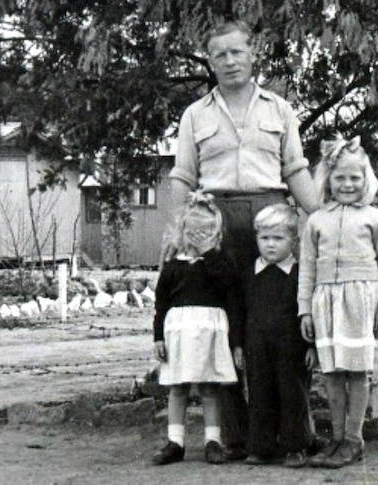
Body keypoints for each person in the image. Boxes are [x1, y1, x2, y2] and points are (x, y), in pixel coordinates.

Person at [168, 20, 321, 459]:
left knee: (284, 320)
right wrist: (182, 235)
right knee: (226, 326)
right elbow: (183, 176)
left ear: (252, 55)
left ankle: (297, 432)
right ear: (211, 62)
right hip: (216, 221)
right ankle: (238, 437)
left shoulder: (279, 110)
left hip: (272, 214)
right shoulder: (195, 115)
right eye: (220, 55)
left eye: (237, 52)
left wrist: (322, 216)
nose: (229, 61)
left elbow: (295, 169)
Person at [298, 135, 378, 469]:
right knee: (331, 375)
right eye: (340, 177)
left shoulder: (374, 219)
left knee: (358, 372)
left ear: (366, 180)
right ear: (328, 180)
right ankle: (337, 438)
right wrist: (304, 310)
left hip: (361, 303)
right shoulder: (316, 221)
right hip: (325, 304)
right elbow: (307, 270)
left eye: (355, 178)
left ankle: (354, 440)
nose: (347, 184)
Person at [151, 192, 244, 466]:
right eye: (192, 231)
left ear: (216, 235)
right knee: (178, 389)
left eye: (205, 232)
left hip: (209, 334)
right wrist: (157, 337)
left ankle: (212, 442)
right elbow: (161, 304)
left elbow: (230, 290)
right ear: (182, 231)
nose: (198, 237)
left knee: (209, 388)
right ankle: (175, 442)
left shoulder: (220, 264)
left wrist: (210, 256)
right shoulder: (172, 267)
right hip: (178, 335)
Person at [239, 203, 317, 468]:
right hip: (257, 346)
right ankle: (261, 447)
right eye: (264, 238)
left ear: (293, 240)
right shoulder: (251, 273)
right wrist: (238, 345)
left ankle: (296, 446)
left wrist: (311, 347)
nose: (270, 245)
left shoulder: (299, 274)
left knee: (292, 394)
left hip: (291, 347)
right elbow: (241, 311)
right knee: (260, 394)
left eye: (278, 238)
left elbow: (308, 312)